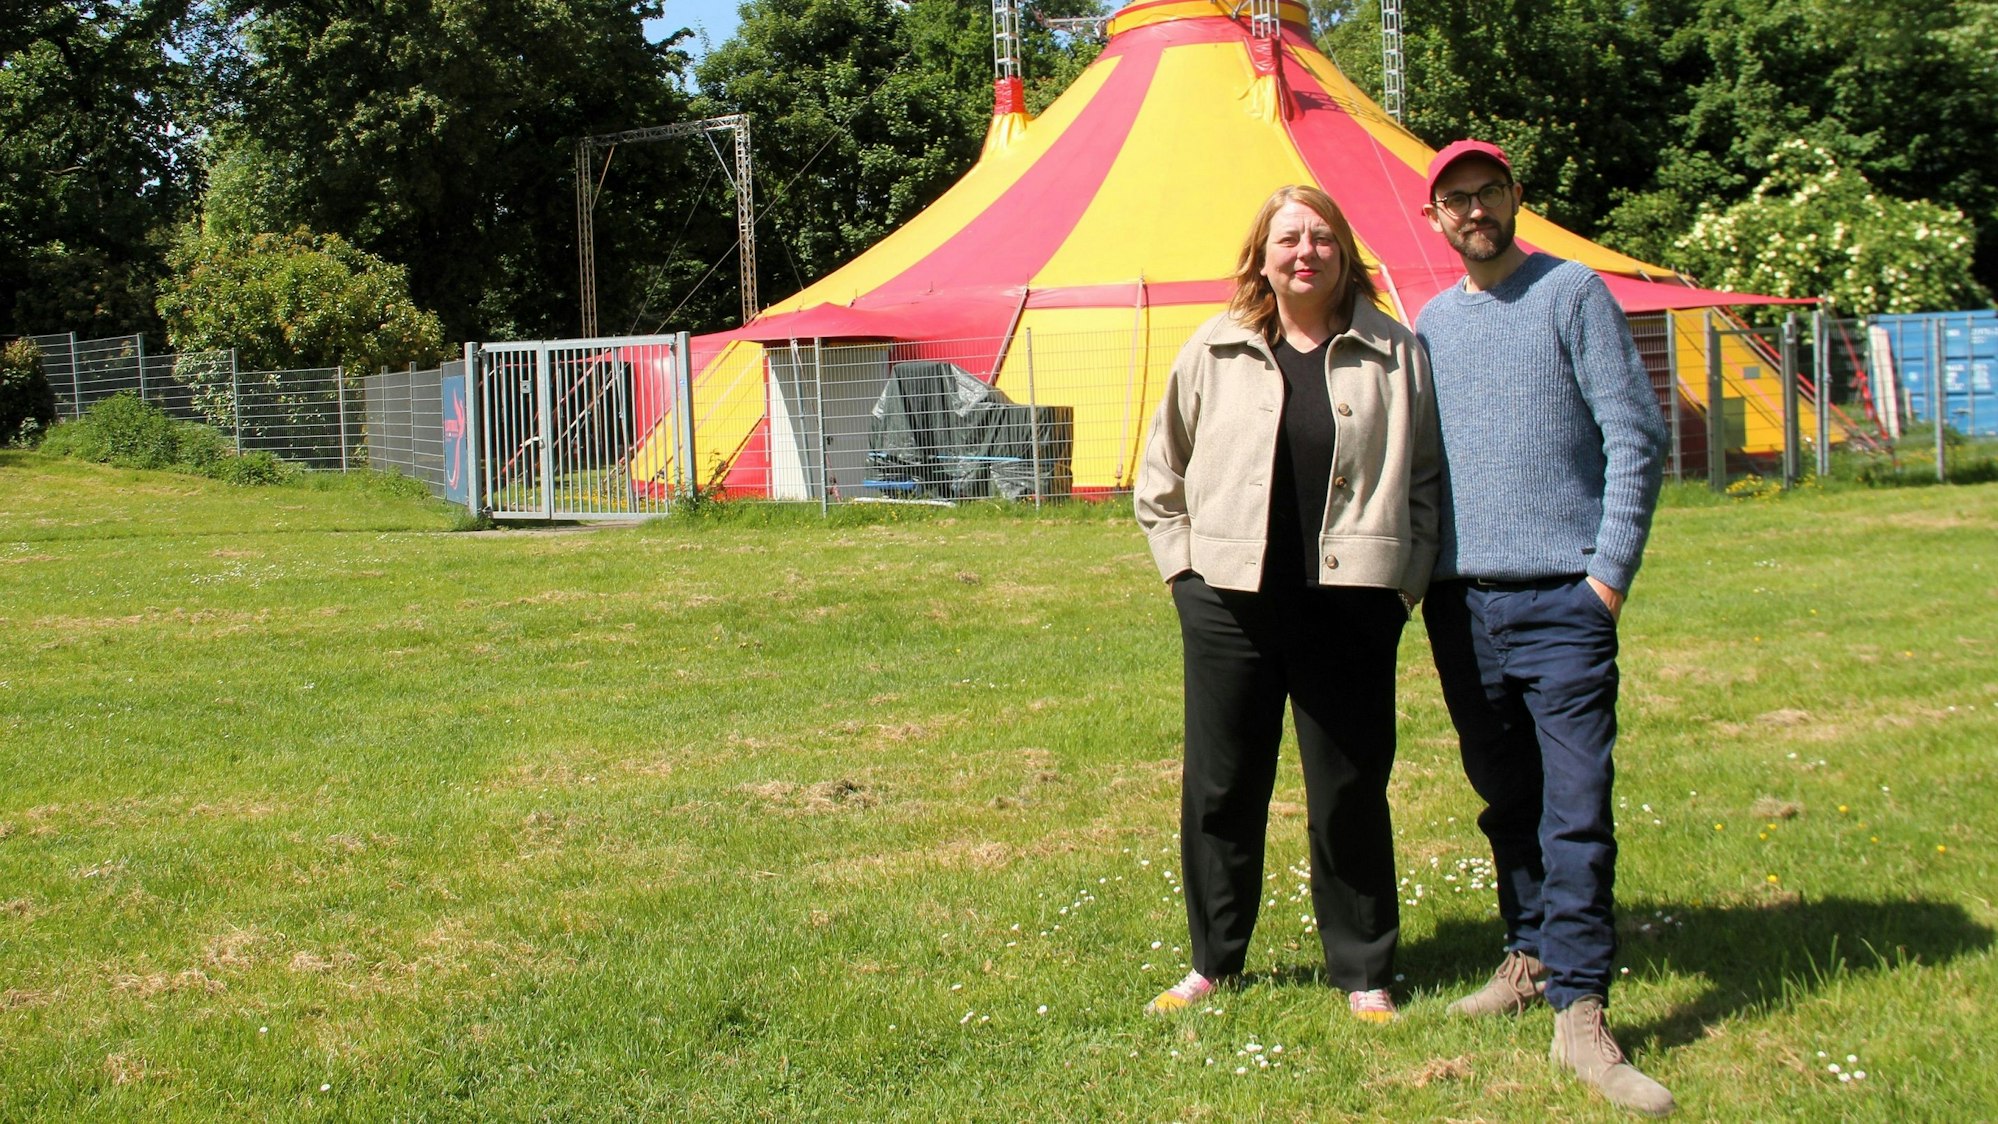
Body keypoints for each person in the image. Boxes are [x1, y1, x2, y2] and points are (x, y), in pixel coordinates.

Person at [1135, 184, 1441, 1024]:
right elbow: (1160, 478)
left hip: (1351, 605)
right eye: (1287, 240)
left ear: (1344, 250)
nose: (1304, 253)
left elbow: (1424, 485)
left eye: (1321, 238)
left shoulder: (1394, 351)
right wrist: (1184, 578)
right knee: (1222, 788)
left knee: (1347, 789)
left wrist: (1400, 589)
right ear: (1261, 258)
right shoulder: (1215, 347)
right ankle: (1212, 962)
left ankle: (1365, 969)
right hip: (1229, 604)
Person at [1414, 140, 1674, 1116]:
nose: (1474, 210)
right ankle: (1527, 953)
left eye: (1488, 193)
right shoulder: (1433, 323)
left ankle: (1581, 1009)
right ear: (1436, 219)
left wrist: (1605, 577)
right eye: (1456, 201)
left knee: (1576, 805)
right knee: (1506, 796)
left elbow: (1635, 436)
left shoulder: (1575, 294)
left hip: (1565, 596)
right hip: (1462, 603)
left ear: (1515, 198)